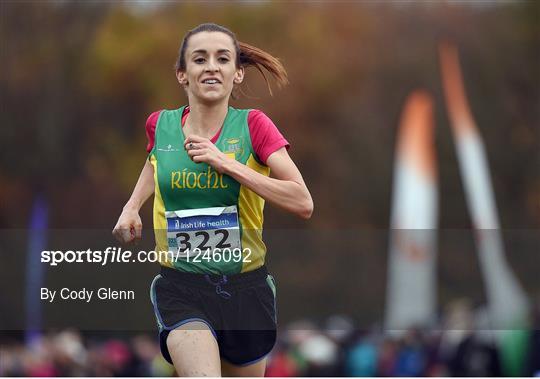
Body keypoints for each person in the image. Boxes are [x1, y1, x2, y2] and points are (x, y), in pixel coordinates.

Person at [112, 23, 313, 377]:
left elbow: (302, 201)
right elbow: (155, 160)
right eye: (199, 59)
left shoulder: (254, 127)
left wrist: (228, 164)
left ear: (237, 74)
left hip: (246, 290)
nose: (211, 66)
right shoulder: (161, 126)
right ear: (182, 74)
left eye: (223, 59)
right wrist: (132, 207)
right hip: (182, 287)